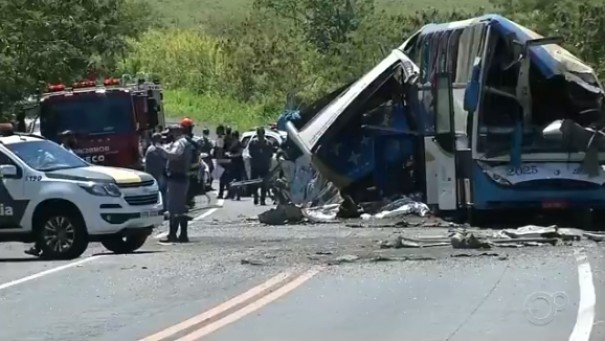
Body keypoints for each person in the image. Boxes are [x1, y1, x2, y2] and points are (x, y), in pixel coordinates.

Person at [156, 124, 193, 243]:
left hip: (177, 177)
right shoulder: (183, 142)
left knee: (174, 208)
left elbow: (174, 155)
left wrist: (160, 148)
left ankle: (174, 234)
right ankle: (182, 234)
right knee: (180, 208)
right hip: (180, 178)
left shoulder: (180, 143)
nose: (169, 136)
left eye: (170, 133)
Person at [248, 127, 274, 205]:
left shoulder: (268, 143)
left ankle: (262, 199)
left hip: (264, 165)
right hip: (255, 165)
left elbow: (270, 154)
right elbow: (251, 153)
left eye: (261, 134)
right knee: (254, 182)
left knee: (264, 183)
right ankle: (256, 197)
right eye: (259, 134)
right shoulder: (253, 143)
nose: (260, 136)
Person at [180, 117, 202, 208]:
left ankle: (187, 201)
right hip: (189, 171)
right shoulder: (192, 142)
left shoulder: (185, 141)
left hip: (188, 171)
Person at [144, 133, 167, 212]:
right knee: (162, 192)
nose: (162, 140)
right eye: (160, 139)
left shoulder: (150, 149)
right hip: (158, 174)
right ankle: (162, 209)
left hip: (153, 174)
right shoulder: (155, 149)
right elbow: (163, 162)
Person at [226, 130, 244, 200]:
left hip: (238, 162)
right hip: (232, 163)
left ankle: (238, 195)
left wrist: (232, 155)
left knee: (238, 179)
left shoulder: (239, 144)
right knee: (231, 179)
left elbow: (240, 153)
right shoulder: (231, 143)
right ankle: (231, 194)